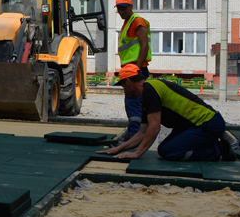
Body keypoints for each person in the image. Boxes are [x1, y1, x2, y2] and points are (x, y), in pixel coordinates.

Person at [98, 64, 231, 162]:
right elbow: (142, 132)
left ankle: (218, 151)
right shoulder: (147, 95)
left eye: (123, 87)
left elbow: (154, 128)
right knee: (164, 149)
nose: (124, 91)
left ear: (128, 82)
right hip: (192, 126)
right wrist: (120, 148)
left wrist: (137, 153)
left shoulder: (150, 90)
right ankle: (211, 143)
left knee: (170, 151)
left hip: (208, 124)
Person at [115, 0, 151, 140]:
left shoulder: (137, 21)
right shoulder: (128, 22)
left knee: (134, 102)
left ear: (130, 7)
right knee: (133, 103)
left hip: (135, 70)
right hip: (131, 70)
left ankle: (135, 135)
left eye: (123, 8)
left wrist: (136, 70)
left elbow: (144, 46)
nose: (121, 12)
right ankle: (134, 133)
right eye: (118, 9)